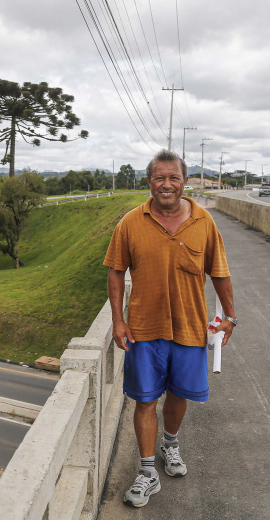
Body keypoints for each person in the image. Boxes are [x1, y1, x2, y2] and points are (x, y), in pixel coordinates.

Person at [103, 149, 236, 508]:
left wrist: (230, 316)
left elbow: (219, 271)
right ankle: (147, 472)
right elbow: (116, 271)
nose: (166, 185)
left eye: (173, 177)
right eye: (159, 178)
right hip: (144, 330)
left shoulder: (204, 221)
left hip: (190, 329)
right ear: (149, 182)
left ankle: (170, 444)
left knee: (179, 395)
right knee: (145, 400)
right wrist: (118, 319)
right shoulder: (130, 222)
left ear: (184, 181)